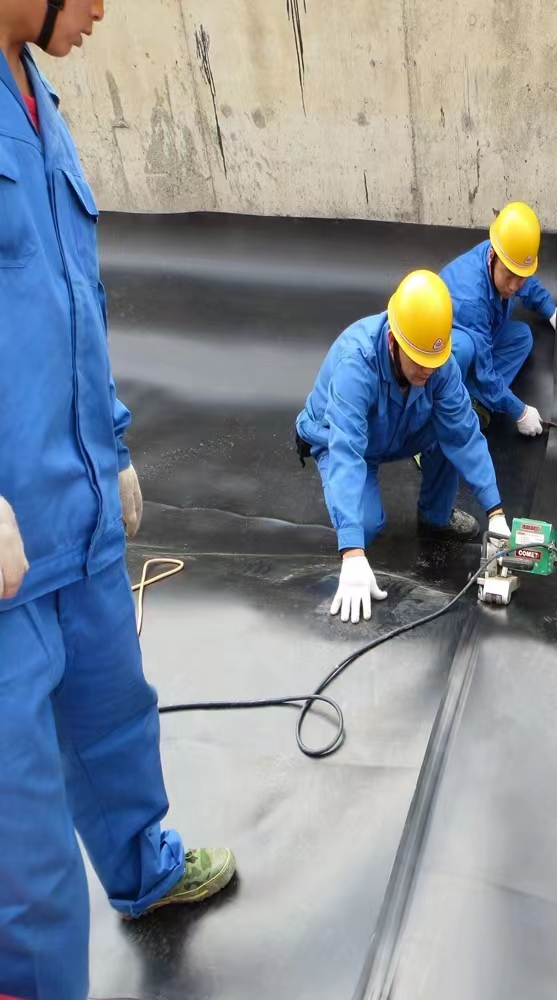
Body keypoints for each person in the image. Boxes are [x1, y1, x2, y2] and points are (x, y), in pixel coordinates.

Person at [0, 4, 235, 998]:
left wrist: (115, 439)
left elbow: (68, 302)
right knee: (22, 856)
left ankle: (144, 871)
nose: (102, 9)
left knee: (114, 722)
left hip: (77, 509)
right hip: (3, 551)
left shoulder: (39, 100)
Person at [295, 270, 510, 624]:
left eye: (434, 363)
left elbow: (463, 433)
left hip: (396, 427)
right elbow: (347, 451)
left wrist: (495, 511)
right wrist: (352, 552)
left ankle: (436, 516)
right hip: (341, 438)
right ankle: (355, 537)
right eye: (420, 362)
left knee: (449, 426)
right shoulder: (356, 362)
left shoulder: (436, 361)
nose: (429, 370)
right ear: (394, 340)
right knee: (365, 526)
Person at [440, 201, 557, 436]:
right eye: (509, 276)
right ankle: (444, 410)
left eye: (520, 277)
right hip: (443, 352)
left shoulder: (506, 256)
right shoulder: (471, 300)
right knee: (464, 349)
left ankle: (476, 399)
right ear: (493, 256)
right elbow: (483, 369)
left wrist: (553, 313)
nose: (514, 286)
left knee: (522, 337)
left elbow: (529, 285)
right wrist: (519, 411)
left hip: (481, 334)